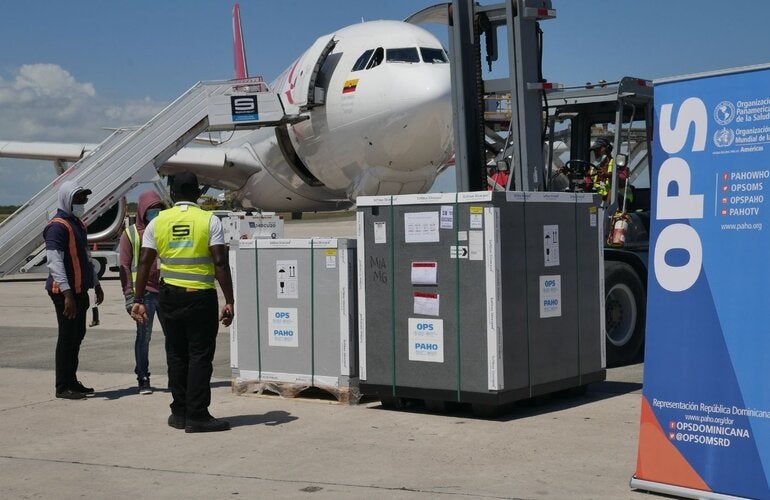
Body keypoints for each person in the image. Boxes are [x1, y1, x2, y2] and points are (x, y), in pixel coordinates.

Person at [131, 172, 234, 433]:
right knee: (199, 355)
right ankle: (197, 415)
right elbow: (220, 263)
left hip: (168, 296)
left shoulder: (158, 222)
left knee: (176, 354)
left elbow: (144, 262)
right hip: (200, 296)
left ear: (172, 194)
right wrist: (230, 299)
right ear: (198, 193)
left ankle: (179, 412)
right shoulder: (208, 220)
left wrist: (138, 298)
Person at [44, 180, 104, 400]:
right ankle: (62, 386)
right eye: (79, 198)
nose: (84, 202)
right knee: (67, 337)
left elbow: (86, 258)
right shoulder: (57, 226)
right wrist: (68, 294)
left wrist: (96, 283)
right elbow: (54, 262)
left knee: (77, 335)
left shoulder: (78, 224)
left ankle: (72, 380)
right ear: (67, 200)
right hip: (64, 293)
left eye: (84, 198)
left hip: (80, 290)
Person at [119, 190, 165, 395]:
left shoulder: (164, 228)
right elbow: (124, 266)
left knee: (173, 337)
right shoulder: (130, 233)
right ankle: (143, 376)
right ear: (141, 211)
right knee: (144, 337)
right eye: (150, 210)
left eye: (158, 209)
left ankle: (177, 374)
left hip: (166, 289)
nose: (154, 213)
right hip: (144, 293)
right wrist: (129, 295)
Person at [585, 137, 631, 206]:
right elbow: (586, 186)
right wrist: (570, 177)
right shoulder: (593, 170)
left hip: (623, 202)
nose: (596, 153)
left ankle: (606, 211)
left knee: (612, 189)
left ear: (608, 149)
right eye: (594, 151)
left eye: (598, 149)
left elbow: (623, 181)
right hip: (604, 201)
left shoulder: (618, 164)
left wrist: (609, 175)